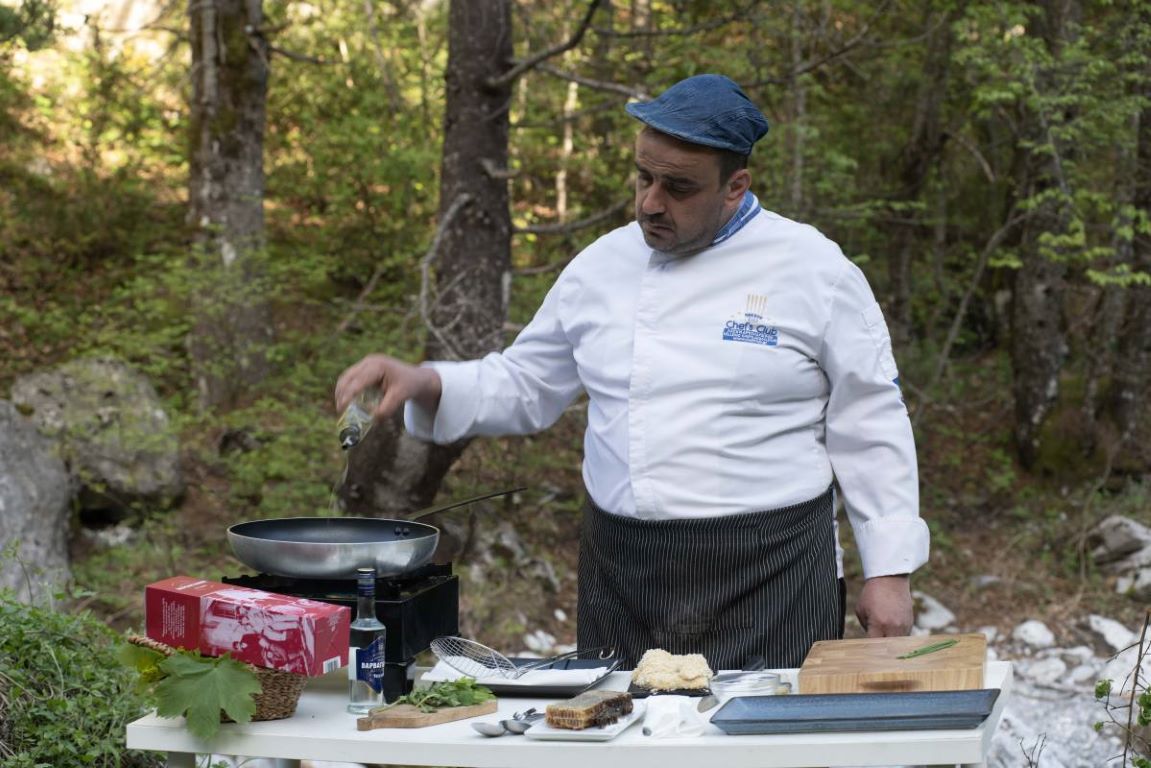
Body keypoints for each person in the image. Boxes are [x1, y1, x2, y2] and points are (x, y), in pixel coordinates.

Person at [335, 74, 929, 670]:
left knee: (758, 729)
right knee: (617, 722)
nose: (650, 203)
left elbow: (870, 418)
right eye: (644, 177)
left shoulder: (815, 270)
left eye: (678, 187)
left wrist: (889, 570)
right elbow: (527, 384)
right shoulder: (600, 267)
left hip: (772, 571)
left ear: (735, 187)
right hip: (622, 569)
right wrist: (428, 382)